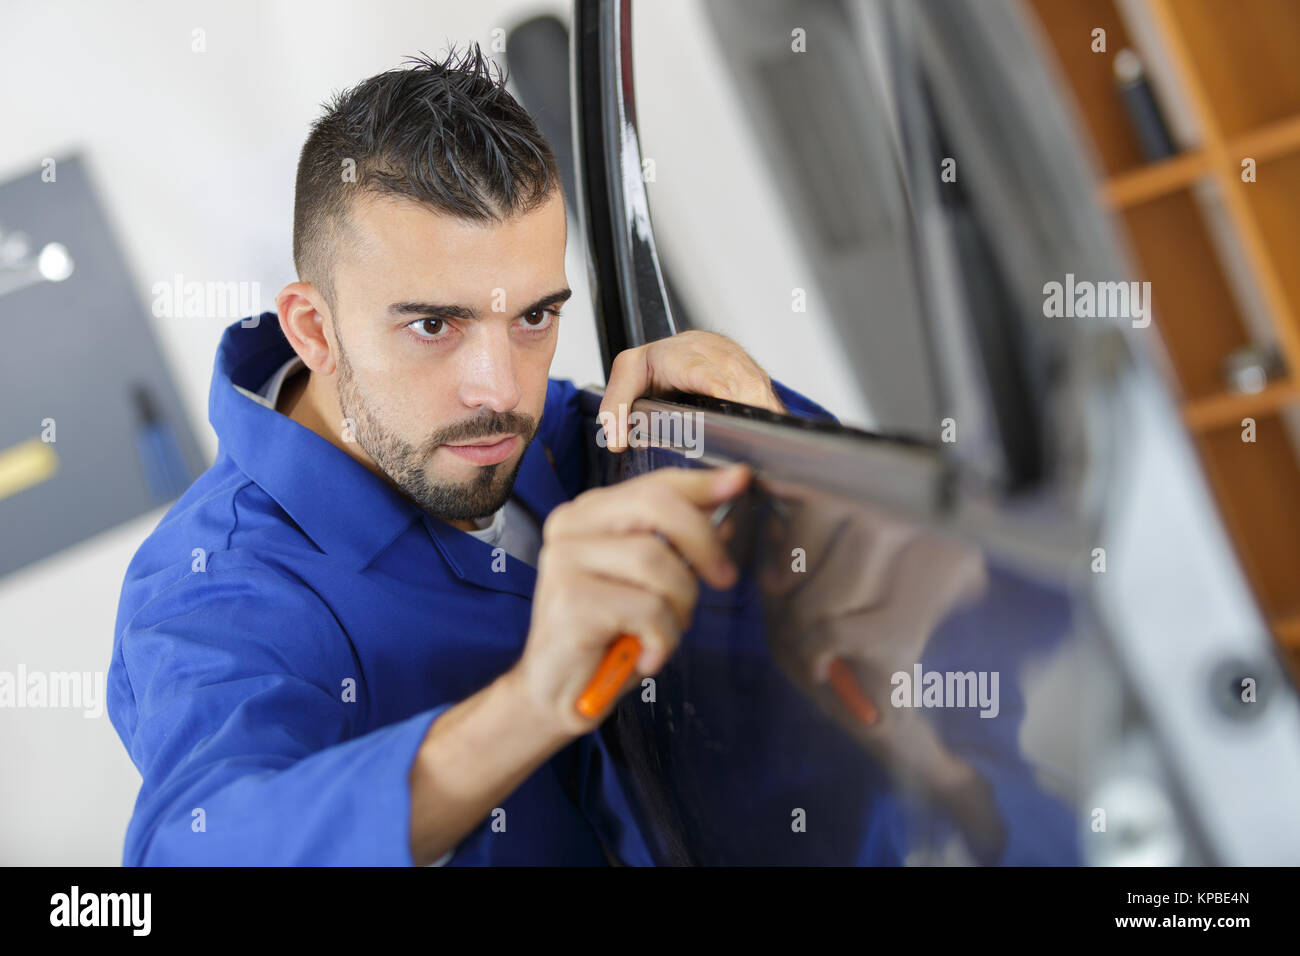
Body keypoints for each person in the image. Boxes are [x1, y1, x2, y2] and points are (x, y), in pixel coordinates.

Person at [107, 45, 831, 865]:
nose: (498, 391)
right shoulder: (213, 589)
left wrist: (755, 416)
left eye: (532, 319)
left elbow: (845, 567)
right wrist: (530, 705)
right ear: (315, 330)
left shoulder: (565, 434)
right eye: (432, 326)